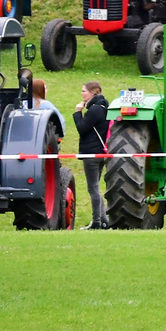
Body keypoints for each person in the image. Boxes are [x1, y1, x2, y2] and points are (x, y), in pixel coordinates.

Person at [74, 82, 109, 229]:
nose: (82, 94)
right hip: (101, 153)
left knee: (93, 188)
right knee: (95, 188)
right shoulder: (104, 108)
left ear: (93, 92)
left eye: (84, 91)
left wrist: (77, 112)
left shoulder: (94, 110)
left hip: (91, 153)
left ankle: (96, 222)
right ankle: (104, 220)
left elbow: (82, 128)